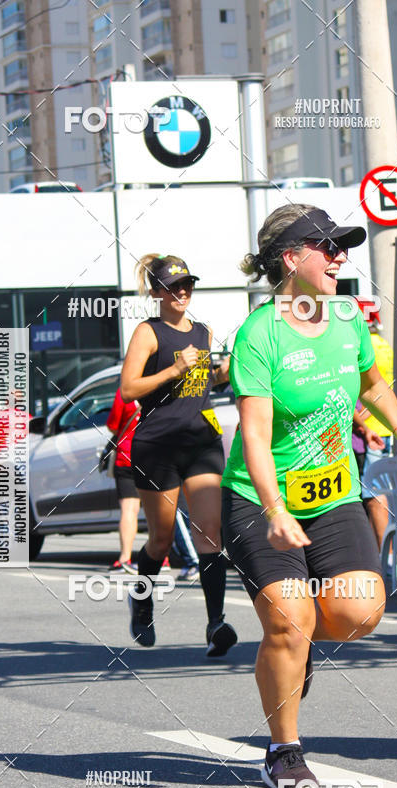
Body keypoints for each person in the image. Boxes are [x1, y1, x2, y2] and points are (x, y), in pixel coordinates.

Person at [220, 203, 397, 788]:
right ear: (291, 258)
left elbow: (372, 383)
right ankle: (284, 748)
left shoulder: (349, 316)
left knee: (358, 610)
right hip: (260, 499)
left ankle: (294, 654)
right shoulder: (260, 334)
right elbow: (252, 434)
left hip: (332, 493)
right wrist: (275, 510)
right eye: (326, 246)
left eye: (342, 247)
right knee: (289, 617)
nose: (340, 257)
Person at [119, 253, 237, 655]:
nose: (183, 291)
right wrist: (173, 369)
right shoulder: (148, 333)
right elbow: (129, 390)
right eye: (173, 286)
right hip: (158, 446)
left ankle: (215, 623)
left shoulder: (203, 331)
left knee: (210, 534)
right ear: (156, 292)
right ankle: (142, 600)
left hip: (201, 441)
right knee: (162, 539)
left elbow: (205, 385)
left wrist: (224, 372)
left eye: (187, 284)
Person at [358, 299, 394, 548]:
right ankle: (382, 554)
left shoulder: (364, 346)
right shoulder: (383, 344)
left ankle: (386, 558)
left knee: (373, 496)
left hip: (371, 433)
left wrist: (362, 420)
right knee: (377, 494)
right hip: (381, 430)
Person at [105, 388, 141, 574]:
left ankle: (125, 558)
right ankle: (162, 558)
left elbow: (112, 425)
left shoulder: (126, 391)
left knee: (129, 510)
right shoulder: (161, 385)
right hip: (152, 456)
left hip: (127, 456)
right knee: (156, 512)